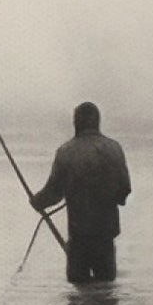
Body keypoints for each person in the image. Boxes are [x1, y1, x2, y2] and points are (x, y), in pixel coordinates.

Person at [31, 102, 131, 284]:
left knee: (78, 295)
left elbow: (53, 193)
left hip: (78, 237)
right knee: (106, 290)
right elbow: (124, 191)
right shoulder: (114, 149)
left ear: (76, 122)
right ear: (97, 122)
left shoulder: (65, 152)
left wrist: (37, 202)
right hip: (105, 236)